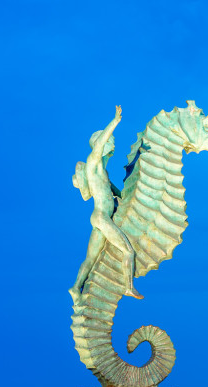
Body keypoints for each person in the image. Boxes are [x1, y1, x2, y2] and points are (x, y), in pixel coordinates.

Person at [70, 105, 143, 301]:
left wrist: (129, 196)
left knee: (91, 259)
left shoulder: (103, 173)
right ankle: (128, 287)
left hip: (100, 218)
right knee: (128, 250)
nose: (113, 143)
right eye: (111, 141)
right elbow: (100, 144)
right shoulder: (93, 163)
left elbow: (117, 194)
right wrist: (116, 121)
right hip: (102, 217)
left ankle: (76, 288)